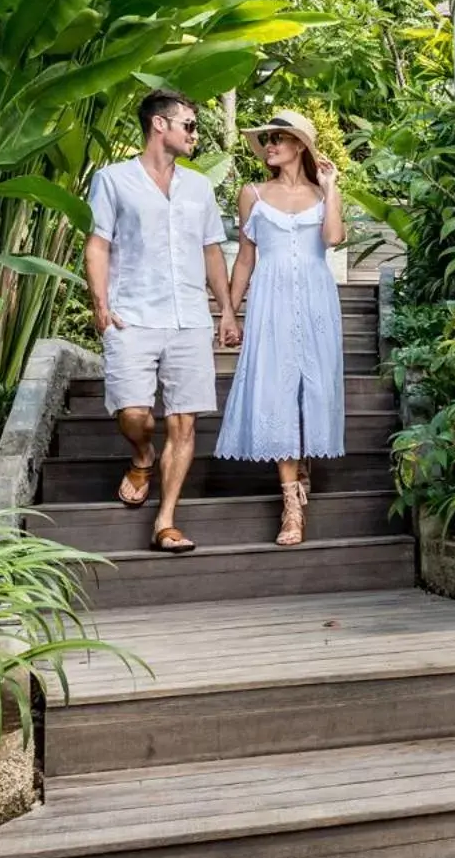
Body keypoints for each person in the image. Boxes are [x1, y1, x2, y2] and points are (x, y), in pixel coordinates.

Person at [83, 89, 240, 554]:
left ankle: (166, 520)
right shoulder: (112, 180)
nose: (195, 135)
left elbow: (212, 251)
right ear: (159, 125)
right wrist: (100, 302)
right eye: (189, 125)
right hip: (132, 315)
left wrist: (227, 309)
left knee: (183, 424)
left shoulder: (199, 188)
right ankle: (141, 456)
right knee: (135, 415)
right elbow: (98, 244)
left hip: (189, 318)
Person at [214, 109, 346, 546]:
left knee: (315, 388)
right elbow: (246, 259)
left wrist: (332, 189)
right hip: (270, 302)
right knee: (277, 391)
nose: (270, 144)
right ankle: (291, 505)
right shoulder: (251, 193)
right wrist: (229, 313)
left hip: (316, 300)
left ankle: (306, 461)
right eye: (267, 138)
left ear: (300, 146)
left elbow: (332, 239)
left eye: (279, 138)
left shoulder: (321, 191)